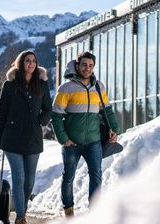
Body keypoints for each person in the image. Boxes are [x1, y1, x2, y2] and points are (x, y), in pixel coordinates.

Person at [52, 51, 119, 217]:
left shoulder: (99, 86)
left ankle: (94, 213)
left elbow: (107, 110)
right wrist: (64, 139)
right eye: (84, 65)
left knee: (96, 176)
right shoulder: (66, 88)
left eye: (90, 65)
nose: (87, 68)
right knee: (68, 177)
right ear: (77, 65)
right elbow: (56, 115)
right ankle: (68, 210)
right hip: (71, 143)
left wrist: (115, 129)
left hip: (93, 141)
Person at [0, 50, 52, 224]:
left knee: (29, 181)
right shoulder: (9, 85)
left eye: (34, 61)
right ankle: (20, 217)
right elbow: (1, 114)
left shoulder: (41, 84)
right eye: (27, 61)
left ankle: (22, 209)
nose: (31, 64)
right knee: (19, 177)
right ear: (21, 63)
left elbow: (48, 108)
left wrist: (40, 121)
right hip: (11, 138)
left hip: (33, 138)